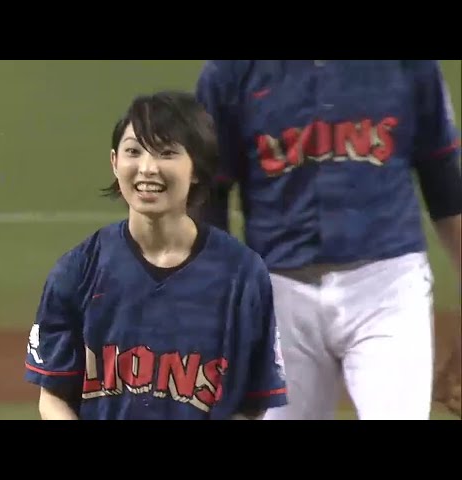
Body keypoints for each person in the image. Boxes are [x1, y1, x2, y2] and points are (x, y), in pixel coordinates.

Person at [194, 60, 461, 420]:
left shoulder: (409, 66)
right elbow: (208, 198)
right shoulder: (232, 71)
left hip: (387, 287)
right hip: (278, 294)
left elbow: (446, 187)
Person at [23, 90, 287, 420]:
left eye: (166, 153)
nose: (147, 168)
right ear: (114, 162)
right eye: (133, 151)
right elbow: (53, 398)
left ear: (196, 168)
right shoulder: (78, 270)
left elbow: (253, 403)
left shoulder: (242, 275)